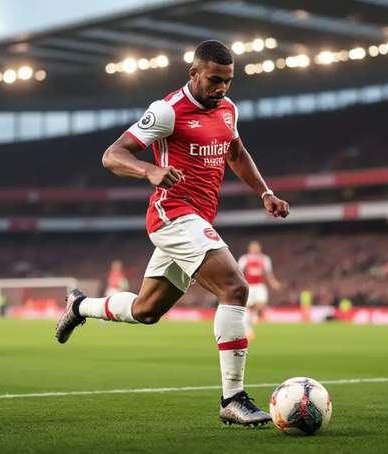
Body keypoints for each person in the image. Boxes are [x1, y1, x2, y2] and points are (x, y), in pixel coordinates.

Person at [55, 40, 289, 426]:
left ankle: (79, 306)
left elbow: (235, 154)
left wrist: (264, 192)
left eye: (228, 81)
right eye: (214, 80)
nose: (221, 88)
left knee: (146, 311)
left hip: (198, 219)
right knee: (235, 288)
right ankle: (233, 399)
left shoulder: (228, 110)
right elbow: (112, 154)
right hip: (172, 214)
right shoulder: (168, 111)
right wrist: (149, 170)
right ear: (193, 74)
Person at [237, 241, 281, 340]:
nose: (255, 249)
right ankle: (248, 330)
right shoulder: (244, 259)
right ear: (249, 248)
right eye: (253, 247)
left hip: (260, 285)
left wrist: (274, 283)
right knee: (247, 308)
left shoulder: (265, 259)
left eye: (256, 247)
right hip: (249, 286)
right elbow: (239, 272)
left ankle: (253, 313)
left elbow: (268, 273)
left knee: (262, 302)